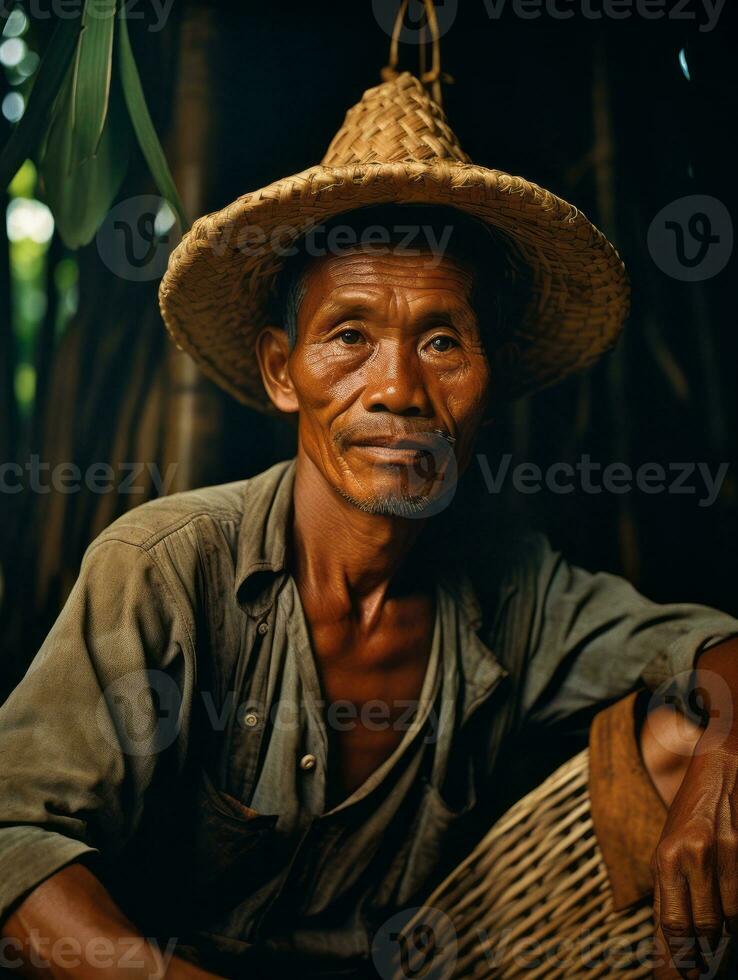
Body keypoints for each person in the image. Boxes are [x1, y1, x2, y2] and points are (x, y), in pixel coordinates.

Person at [1, 71, 737, 980]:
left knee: (682, 740)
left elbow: (716, 651)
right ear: (282, 371)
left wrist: (718, 770)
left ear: (486, 378)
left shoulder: (513, 586)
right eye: (349, 335)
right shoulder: (167, 568)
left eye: (441, 341)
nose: (396, 389)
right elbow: (12, 832)